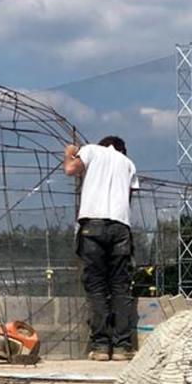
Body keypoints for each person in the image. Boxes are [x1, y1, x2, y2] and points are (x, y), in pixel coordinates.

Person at [62, 134, 139, 360]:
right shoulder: (128, 164)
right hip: (121, 227)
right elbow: (128, 198)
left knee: (96, 287)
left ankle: (101, 347)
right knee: (120, 287)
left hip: (93, 225)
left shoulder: (91, 150)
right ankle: (122, 347)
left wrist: (69, 153)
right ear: (122, 150)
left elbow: (70, 169)